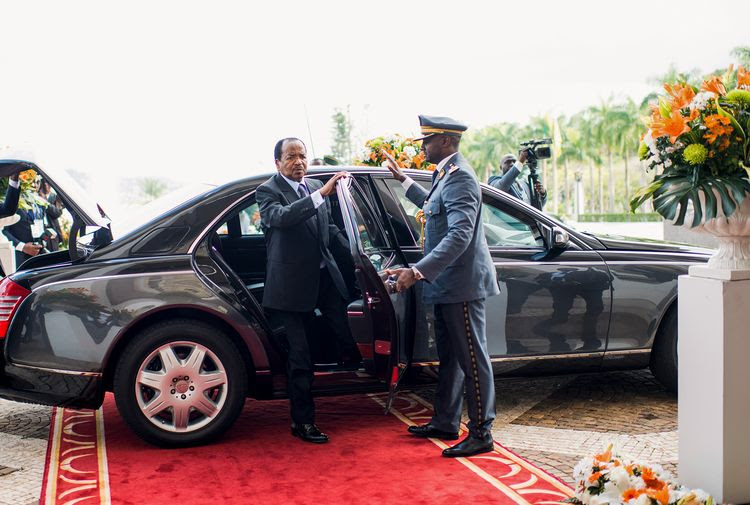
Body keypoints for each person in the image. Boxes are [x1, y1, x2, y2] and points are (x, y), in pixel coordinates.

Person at [383, 115, 500, 458]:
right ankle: (446, 421)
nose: (422, 146)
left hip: (461, 286)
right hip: (447, 285)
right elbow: (432, 208)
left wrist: (417, 272)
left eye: (427, 140)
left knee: (472, 360)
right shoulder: (445, 174)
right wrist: (402, 179)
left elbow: (460, 234)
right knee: (450, 358)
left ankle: (481, 432)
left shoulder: (461, 176)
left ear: (446, 141)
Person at [256, 137, 358, 444]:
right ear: (278, 163)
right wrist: (322, 194)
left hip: (325, 280)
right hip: (290, 288)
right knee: (300, 358)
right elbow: (282, 218)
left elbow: (329, 230)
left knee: (348, 331)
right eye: (291, 157)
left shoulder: (313, 186)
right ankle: (302, 423)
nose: (299, 161)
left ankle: (359, 379)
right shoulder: (268, 191)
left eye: (302, 156)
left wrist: (357, 254)